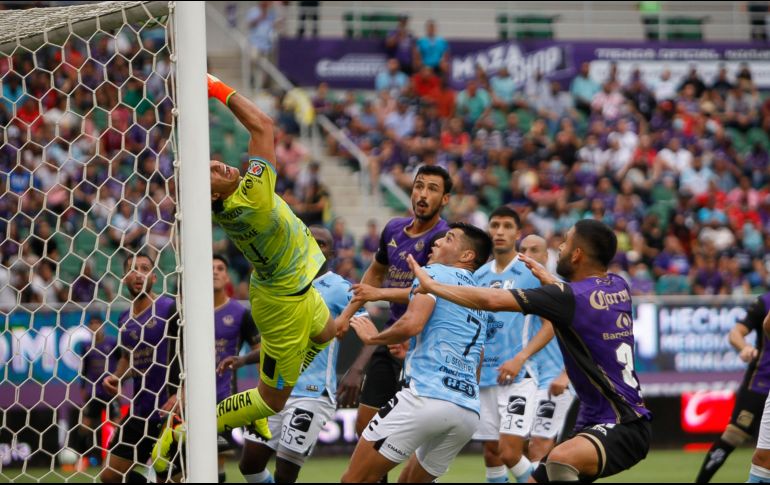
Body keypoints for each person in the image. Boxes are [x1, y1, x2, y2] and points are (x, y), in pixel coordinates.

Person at [408, 219, 652, 482]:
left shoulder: (567, 298)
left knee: (561, 458)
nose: (560, 246)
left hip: (622, 424)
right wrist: (550, 283)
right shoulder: (618, 285)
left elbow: (491, 299)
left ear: (578, 254)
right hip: (600, 421)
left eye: (566, 242)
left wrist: (433, 286)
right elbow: (580, 300)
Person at [206, 73, 335, 440]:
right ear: (212, 195)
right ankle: (193, 428)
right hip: (284, 303)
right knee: (274, 400)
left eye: (216, 163)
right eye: (213, 173)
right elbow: (262, 125)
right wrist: (215, 85)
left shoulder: (230, 204)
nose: (222, 165)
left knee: (327, 333)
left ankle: (255, 403)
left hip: (288, 283)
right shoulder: (252, 198)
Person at [341, 223, 493, 483]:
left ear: (467, 256)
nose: (437, 242)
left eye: (448, 238)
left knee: (353, 480)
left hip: (425, 397)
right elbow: (476, 356)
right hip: (467, 411)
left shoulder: (432, 274)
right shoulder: (479, 295)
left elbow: (412, 323)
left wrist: (373, 337)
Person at [334, 165, 452, 474]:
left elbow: (427, 290)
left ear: (445, 199)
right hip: (393, 334)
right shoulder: (393, 229)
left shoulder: (444, 240)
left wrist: (378, 294)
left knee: (418, 435)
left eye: (432, 189)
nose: (423, 195)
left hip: (423, 341)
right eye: (419, 186)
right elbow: (374, 272)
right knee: (366, 425)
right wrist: (349, 315)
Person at [234, 226, 362, 483]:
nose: (314, 246)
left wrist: (356, 371)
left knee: (285, 474)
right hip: (275, 389)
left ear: (332, 253)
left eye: (322, 243)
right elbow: (281, 341)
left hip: (312, 394)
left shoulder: (339, 287)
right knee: (249, 465)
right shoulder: (285, 282)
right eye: (309, 240)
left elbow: (368, 330)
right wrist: (245, 359)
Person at [472, 207, 541, 484]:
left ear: (517, 233)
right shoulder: (478, 276)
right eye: (495, 225)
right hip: (484, 379)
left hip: (518, 376)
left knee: (510, 451)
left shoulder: (530, 273)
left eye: (507, 226)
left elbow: (551, 324)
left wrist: (520, 358)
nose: (499, 232)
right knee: (491, 452)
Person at [99, 253, 181, 483]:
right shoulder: (125, 320)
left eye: (145, 268)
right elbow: (128, 358)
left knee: (171, 479)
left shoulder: (169, 308)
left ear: (154, 277)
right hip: (140, 411)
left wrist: (180, 393)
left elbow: (189, 353)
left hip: (169, 409)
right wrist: (117, 377)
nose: (139, 274)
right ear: (124, 277)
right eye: (133, 269)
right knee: (110, 476)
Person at [501, 235, 573, 468]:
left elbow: (584, 338)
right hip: (527, 377)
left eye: (534, 250)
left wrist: (566, 375)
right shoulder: (520, 290)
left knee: (539, 446)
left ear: (546, 256)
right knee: (511, 447)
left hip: (554, 379)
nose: (528, 255)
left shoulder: (561, 290)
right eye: (523, 250)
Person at [697, 291, 770, 482]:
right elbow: (736, 333)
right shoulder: (764, 302)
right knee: (733, 436)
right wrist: (744, 347)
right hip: (760, 383)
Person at [211, 254, 260, 483]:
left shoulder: (241, 313)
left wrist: (262, 395)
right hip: (186, 398)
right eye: (210, 268)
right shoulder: (185, 312)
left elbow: (260, 352)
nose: (215, 272)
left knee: (214, 459)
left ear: (227, 276)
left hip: (224, 399)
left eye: (220, 268)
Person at [70, 315, 120, 465]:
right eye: (92, 324)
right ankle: (81, 459)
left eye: (97, 323)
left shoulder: (112, 342)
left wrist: (119, 384)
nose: (95, 327)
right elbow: (85, 368)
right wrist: (83, 386)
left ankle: (118, 458)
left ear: (103, 325)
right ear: (89, 327)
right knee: (85, 424)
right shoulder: (86, 345)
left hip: (110, 390)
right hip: (94, 391)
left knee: (117, 423)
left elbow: (121, 362)